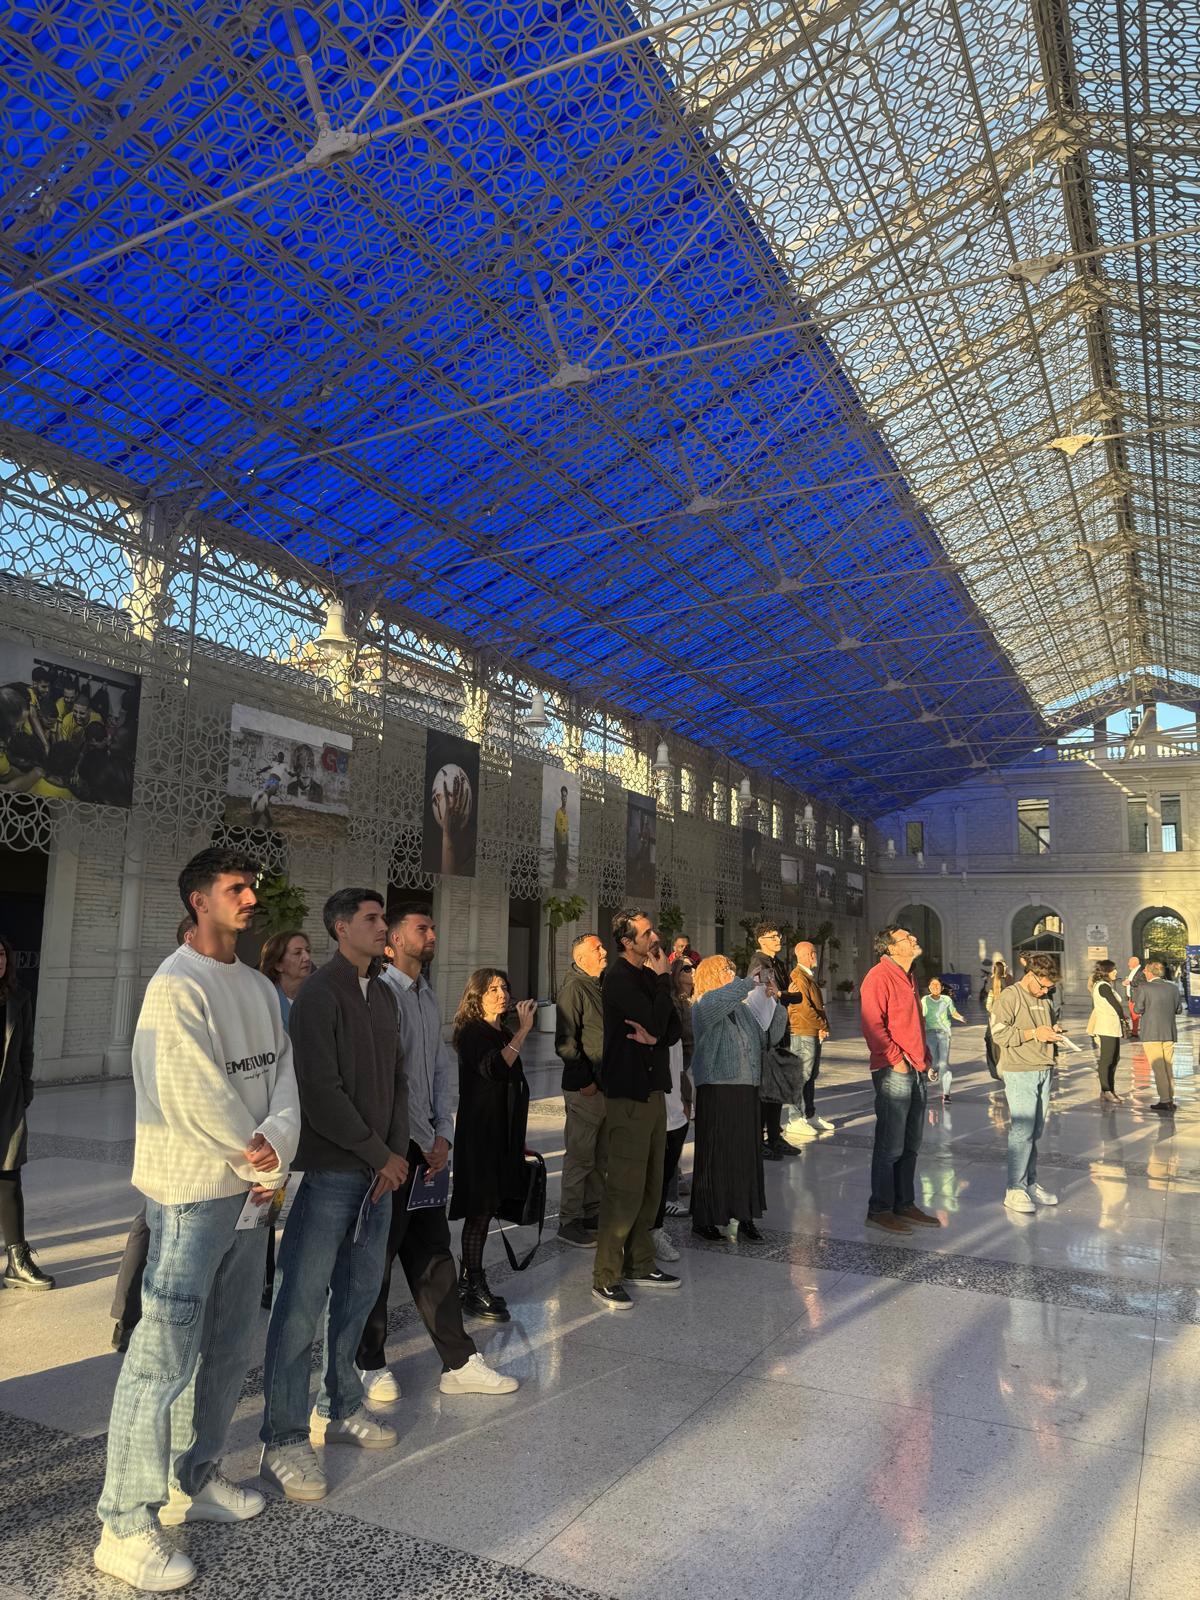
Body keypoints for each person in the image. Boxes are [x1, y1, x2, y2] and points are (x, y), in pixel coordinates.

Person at [95, 848, 300, 1594]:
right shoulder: (173, 987)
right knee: (163, 1355)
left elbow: (283, 1073)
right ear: (198, 901)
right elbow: (188, 1088)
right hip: (191, 1193)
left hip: (250, 1193)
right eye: (235, 888)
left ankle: (196, 1478)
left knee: (226, 1342)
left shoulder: (255, 986)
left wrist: (272, 1149)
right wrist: (256, 1153)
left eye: (252, 887)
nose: (250, 898)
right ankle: (123, 1522)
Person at [260, 889, 409, 1504]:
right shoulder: (320, 994)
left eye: (383, 919)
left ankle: (341, 1403)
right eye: (371, 920)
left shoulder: (383, 993)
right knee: (301, 1302)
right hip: (331, 1173)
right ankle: (285, 1436)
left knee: (359, 1293)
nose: (382, 929)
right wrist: (380, 1155)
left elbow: (399, 1080)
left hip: (380, 1174)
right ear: (341, 927)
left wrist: (394, 1156)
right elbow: (319, 1090)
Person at [358, 907, 517, 1399]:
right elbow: (386, 1078)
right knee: (376, 1260)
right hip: (393, 1149)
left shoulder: (426, 996)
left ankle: (459, 1360)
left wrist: (443, 1133)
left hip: (427, 1148)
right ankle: (368, 1362)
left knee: (433, 1257)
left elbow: (442, 1071)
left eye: (432, 927)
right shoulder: (380, 995)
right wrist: (415, 1141)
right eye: (420, 929)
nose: (432, 934)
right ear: (392, 944)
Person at [110, 917, 197, 1350]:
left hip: (199, 1144)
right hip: (171, 1138)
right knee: (150, 1223)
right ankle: (129, 1316)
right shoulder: (171, 985)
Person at [592, 907, 681, 1309]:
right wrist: (663, 985)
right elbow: (654, 1020)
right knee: (624, 1188)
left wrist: (656, 1034)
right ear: (627, 942)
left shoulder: (649, 976)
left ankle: (640, 1263)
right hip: (628, 1092)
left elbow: (670, 1028)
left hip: (654, 1089)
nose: (654, 938)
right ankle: (606, 1274)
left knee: (651, 1182)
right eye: (646, 934)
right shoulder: (618, 978)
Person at [449, 968, 534, 1322]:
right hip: (480, 1134)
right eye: (492, 989)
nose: (501, 994)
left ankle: (469, 1281)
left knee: (490, 1206)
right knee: (479, 1210)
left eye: (504, 987)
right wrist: (526, 1031)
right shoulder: (472, 1032)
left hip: (503, 1134)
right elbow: (495, 1069)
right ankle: (473, 1284)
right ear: (477, 996)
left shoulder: (504, 1031)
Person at [689, 955, 784, 1242]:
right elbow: (718, 1004)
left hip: (746, 1088)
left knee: (745, 1154)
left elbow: (768, 1038)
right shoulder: (704, 1003)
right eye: (725, 969)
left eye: (732, 968)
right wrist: (745, 982)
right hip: (719, 1088)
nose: (730, 972)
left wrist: (774, 1003)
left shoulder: (741, 1010)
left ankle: (745, 1214)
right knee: (717, 1153)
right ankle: (706, 1217)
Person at [859, 926, 940, 1235]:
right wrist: (897, 1060)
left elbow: (913, 1024)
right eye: (908, 938)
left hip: (916, 1068)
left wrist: (925, 1058)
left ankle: (904, 1203)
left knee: (911, 1144)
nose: (915, 939)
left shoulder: (909, 976)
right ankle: (879, 1208)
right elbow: (872, 1025)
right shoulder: (878, 977)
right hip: (894, 1070)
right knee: (890, 1144)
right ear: (891, 948)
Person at [989, 953, 1064, 1213]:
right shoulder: (1010, 996)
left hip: (1044, 1068)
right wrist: (1034, 1033)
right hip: (1020, 1070)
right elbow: (998, 1034)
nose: (1045, 991)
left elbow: (1042, 1026)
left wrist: (1054, 1031)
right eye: (1042, 986)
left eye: (1049, 988)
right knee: (1022, 1131)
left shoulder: (1043, 998)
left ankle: (1030, 1182)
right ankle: (1015, 1189)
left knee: (1035, 1132)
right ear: (1030, 975)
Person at [0, 932, 53, 1290]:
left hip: (9, 1098)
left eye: (2, 955)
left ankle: (17, 1260)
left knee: (9, 1176)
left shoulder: (19, 998)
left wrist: (26, 1089)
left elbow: (26, 1049)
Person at [555, 932, 608, 1248]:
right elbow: (565, 1041)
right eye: (596, 948)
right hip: (585, 1089)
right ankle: (569, 1220)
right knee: (580, 1157)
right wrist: (585, 1080)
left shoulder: (596, 985)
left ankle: (592, 1213)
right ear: (580, 958)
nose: (603, 952)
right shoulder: (574, 988)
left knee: (599, 1157)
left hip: (602, 1087)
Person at [746, 921, 803, 1160]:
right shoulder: (760, 963)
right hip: (768, 1032)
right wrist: (785, 994)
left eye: (778, 935)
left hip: (779, 1028)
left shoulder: (776, 963)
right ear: (760, 940)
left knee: (777, 1088)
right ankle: (759, 1140)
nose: (778, 939)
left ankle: (774, 1137)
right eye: (772, 936)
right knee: (766, 1090)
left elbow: (791, 995)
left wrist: (785, 994)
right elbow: (769, 996)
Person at [650, 960, 692, 1264]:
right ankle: (651, 1229)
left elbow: (683, 1049)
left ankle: (656, 1225)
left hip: (677, 1100)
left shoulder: (679, 1006)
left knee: (665, 1170)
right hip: (656, 1102)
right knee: (654, 1172)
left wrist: (686, 1094)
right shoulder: (653, 1003)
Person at [659, 958, 695, 1222]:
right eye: (685, 969)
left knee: (679, 1127)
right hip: (675, 1070)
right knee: (672, 1129)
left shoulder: (686, 1000)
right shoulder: (671, 1000)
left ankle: (676, 1179)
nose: (691, 973)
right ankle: (668, 1196)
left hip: (684, 1069)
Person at [786, 938, 831, 1138]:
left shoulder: (807, 976)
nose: (815, 956)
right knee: (801, 1075)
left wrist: (821, 1026)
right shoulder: (798, 976)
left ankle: (809, 1113)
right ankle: (795, 1119)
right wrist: (822, 1025)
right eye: (813, 953)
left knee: (811, 1075)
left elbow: (816, 1005)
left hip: (811, 1031)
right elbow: (803, 1008)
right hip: (802, 1031)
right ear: (807, 955)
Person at [1139, 960, 1182, 1113]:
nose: (1144, 973)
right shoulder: (1173, 988)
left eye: (1145, 970)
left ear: (1150, 972)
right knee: (1168, 1066)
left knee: (1158, 1068)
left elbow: (1138, 1009)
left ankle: (1164, 1101)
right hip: (1169, 1032)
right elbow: (1179, 1010)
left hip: (1151, 1032)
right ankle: (1170, 1098)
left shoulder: (1144, 987)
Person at [1087, 960, 1129, 1103]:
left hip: (1112, 1027)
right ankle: (1106, 1090)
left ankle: (1110, 1089)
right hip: (1106, 1028)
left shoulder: (1105, 986)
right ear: (1106, 971)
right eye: (1113, 970)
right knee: (1107, 1060)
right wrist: (1123, 1018)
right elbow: (1116, 1006)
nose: (1116, 972)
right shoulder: (1103, 986)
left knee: (1114, 1059)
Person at [258, 929, 314, 1029]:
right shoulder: (265, 1001)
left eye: (308, 951)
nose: (307, 957)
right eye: (297, 953)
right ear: (278, 965)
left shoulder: (318, 996)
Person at [921, 977, 965, 1102]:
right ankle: (933, 1070)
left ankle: (946, 1094)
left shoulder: (947, 1000)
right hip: (930, 1033)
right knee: (934, 1062)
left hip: (944, 1033)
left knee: (944, 1063)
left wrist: (961, 1018)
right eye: (933, 985)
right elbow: (922, 1015)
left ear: (942, 987)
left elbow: (954, 1013)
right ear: (929, 987)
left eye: (938, 985)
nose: (935, 987)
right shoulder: (925, 1000)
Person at [983, 960, 1009, 1091]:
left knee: (992, 1042)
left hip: (993, 1016)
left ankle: (995, 1068)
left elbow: (987, 999)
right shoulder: (1007, 981)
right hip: (1003, 1016)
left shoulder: (991, 981)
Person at [1124, 955, 1146, 1039]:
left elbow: (1141, 983)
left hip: (1136, 997)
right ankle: (1134, 1030)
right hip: (1132, 996)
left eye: (1129, 962)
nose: (1128, 964)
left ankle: (1135, 1032)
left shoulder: (1141, 971)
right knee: (1133, 1015)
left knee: (1135, 1015)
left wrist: (1130, 983)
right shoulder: (1134, 971)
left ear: (1135, 963)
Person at [553, 783, 571, 887]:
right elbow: (555, 832)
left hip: (565, 848)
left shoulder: (566, 814)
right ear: (561, 797)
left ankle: (562, 884)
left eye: (566, 796)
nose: (564, 798)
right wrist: (555, 850)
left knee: (564, 870)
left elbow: (567, 833)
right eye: (563, 796)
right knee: (557, 870)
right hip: (559, 847)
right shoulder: (558, 812)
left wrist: (568, 849)